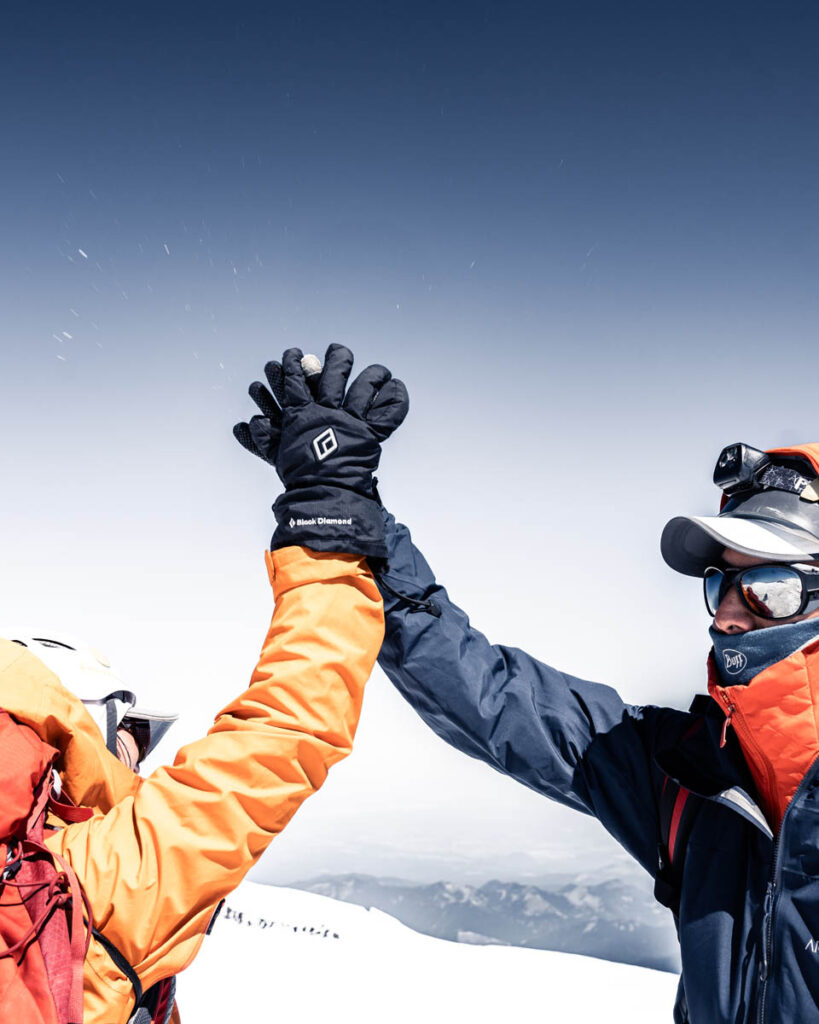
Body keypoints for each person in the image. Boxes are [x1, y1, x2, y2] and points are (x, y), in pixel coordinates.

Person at [237, 347, 819, 1023]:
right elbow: (487, 694)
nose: (725, 613)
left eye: (768, 587)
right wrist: (350, 516)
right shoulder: (687, 772)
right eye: (718, 581)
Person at [0, 349, 407, 1024]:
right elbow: (291, 723)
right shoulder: (89, 883)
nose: (136, 754)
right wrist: (328, 508)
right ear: (68, 728)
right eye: (125, 733)